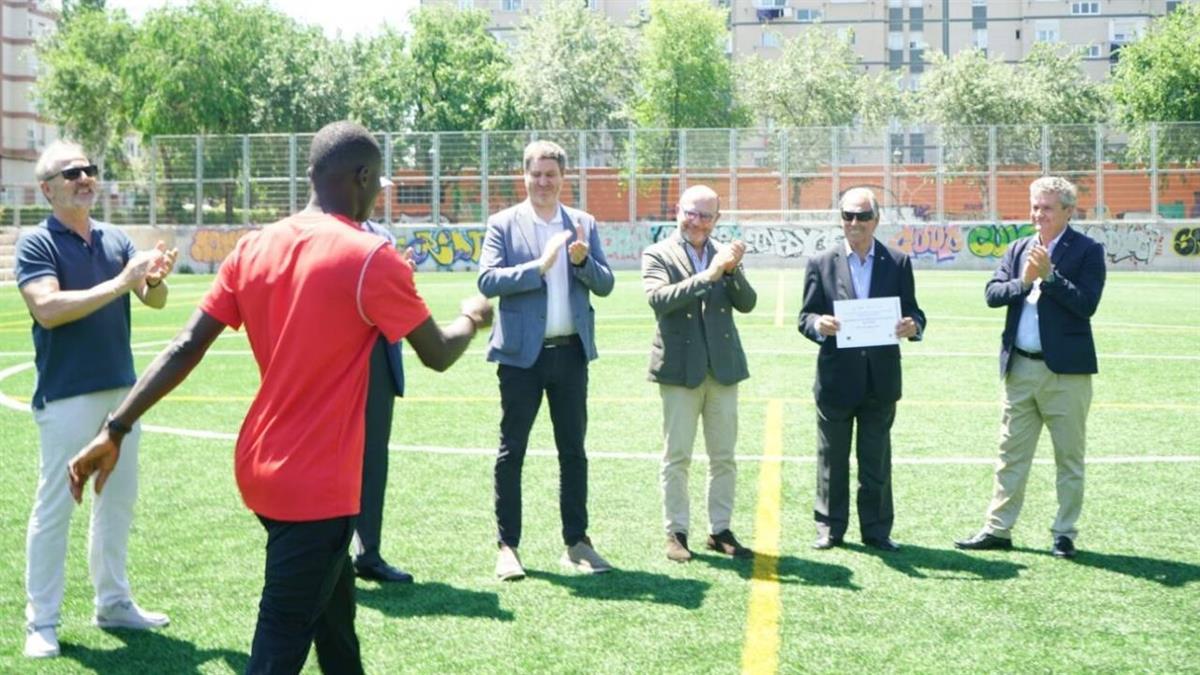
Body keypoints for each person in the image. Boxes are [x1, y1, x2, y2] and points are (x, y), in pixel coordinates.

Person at [68, 121, 492, 674]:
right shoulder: (370, 256)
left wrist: (115, 427)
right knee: (279, 644)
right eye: (377, 183)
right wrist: (472, 317)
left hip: (262, 465)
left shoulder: (253, 247)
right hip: (318, 483)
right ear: (362, 178)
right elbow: (436, 352)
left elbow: (183, 347)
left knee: (336, 620)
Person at [15, 140, 177, 659]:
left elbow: (152, 299)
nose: (86, 177)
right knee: (56, 506)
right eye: (72, 172)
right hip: (65, 395)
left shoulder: (114, 237)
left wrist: (154, 279)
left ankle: (113, 603)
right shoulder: (36, 243)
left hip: (119, 394)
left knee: (118, 501)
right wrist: (120, 282)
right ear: (47, 189)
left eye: (89, 169)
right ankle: (41, 622)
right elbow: (47, 308)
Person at [478, 140, 615, 581]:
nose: (542, 182)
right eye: (535, 174)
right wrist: (537, 267)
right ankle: (507, 546)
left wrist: (582, 262)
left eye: (550, 175)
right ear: (524, 176)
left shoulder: (583, 224)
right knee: (511, 451)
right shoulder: (503, 224)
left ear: (563, 178)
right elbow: (487, 279)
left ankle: (577, 542)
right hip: (520, 358)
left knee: (573, 451)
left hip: (570, 353)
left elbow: (606, 283)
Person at [955, 176, 1105, 559]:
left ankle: (1064, 532)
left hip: (1065, 375)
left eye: (1048, 208)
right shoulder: (1018, 247)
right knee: (1010, 455)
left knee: (1068, 457)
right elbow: (992, 295)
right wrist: (1024, 281)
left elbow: (1086, 304)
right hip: (1019, 369)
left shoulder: (1088, 251)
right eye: (1036, 206)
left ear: (1069, 211)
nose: (1039, 214)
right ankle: (997, 529)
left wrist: (1051, 278)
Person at [798, 187, 926, 553]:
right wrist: (817, 326)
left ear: (876, 220)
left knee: (876, 461)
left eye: (862, 216)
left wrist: (912, 326)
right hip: (836, 379)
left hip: (880, 380)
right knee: (831, 460)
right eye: (848, 216)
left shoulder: (898, 262)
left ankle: (877, 530)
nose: (854, 223)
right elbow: (804, 316)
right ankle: (830, 528)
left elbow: (915, 312)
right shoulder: (821, 262)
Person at [641, 185, 757, 563]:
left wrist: (733, 269)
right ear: (678, 210)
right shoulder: (657, 253)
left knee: (724, 456)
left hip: (723, 369)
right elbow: (659, 299)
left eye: (706, 216)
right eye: (691, 213)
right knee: (677, 457)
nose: (698, 222)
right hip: (679, 370)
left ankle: (720, 529)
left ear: (717, 219)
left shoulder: (724, 253)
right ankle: (676, 532)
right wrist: (710, 274)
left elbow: (747, 303)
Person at [354, 217, 413, 584]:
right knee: (332, 460)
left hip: (379, 354)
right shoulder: (325, 232)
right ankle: (332, 558)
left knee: (373, 460)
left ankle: (368, 553)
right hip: (339, 358)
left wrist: (401, 276)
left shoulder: (383, 236)